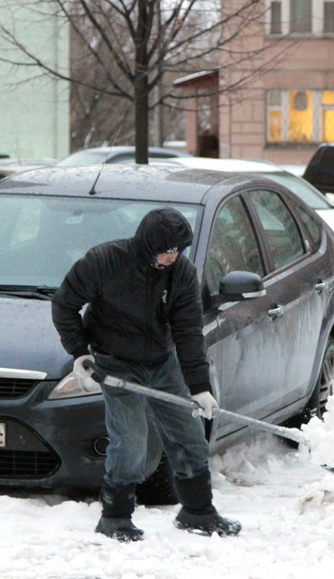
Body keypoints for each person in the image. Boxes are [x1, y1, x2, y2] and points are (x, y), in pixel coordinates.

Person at [51, 207, 241, 542]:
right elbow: (64, 304)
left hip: (162, 361)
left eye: (178, 250)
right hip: (115, 363)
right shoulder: (104, 262)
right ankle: (115, 517)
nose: (173, 257)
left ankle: (197, 511)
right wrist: (80, 352)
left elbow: (188, 332)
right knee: (131, 442)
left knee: (189, 435)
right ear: (148, 244)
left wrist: (199, 387)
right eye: (167, 250)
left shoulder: (181, 273)